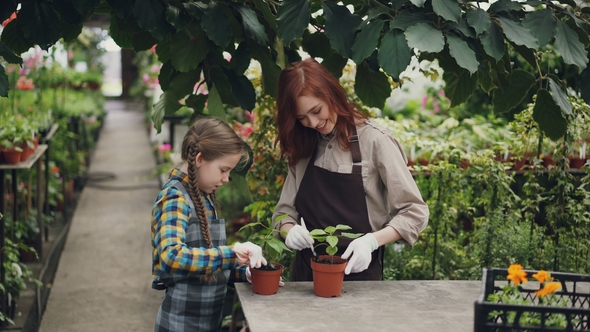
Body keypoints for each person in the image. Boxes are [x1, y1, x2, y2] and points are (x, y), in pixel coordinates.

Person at [272, 58, 429, 281]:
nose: (313, 122)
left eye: (316, 111)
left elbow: (414, 212)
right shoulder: (304, 144)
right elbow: (283, 214)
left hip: (360, 274)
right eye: (302, 118)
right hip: (306, 279)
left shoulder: (376, 142)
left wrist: (371, 242)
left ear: (331, 95)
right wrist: (289, 231)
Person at [151, 117, 268, 332]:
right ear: (199, 159)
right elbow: (171, 256)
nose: (226, 179)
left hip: (207, 324)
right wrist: (232, 253)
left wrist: (245, 273)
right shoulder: (175, 198)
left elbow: (209, 264)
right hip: (180, 325)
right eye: (223, 170)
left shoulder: (204, 197)